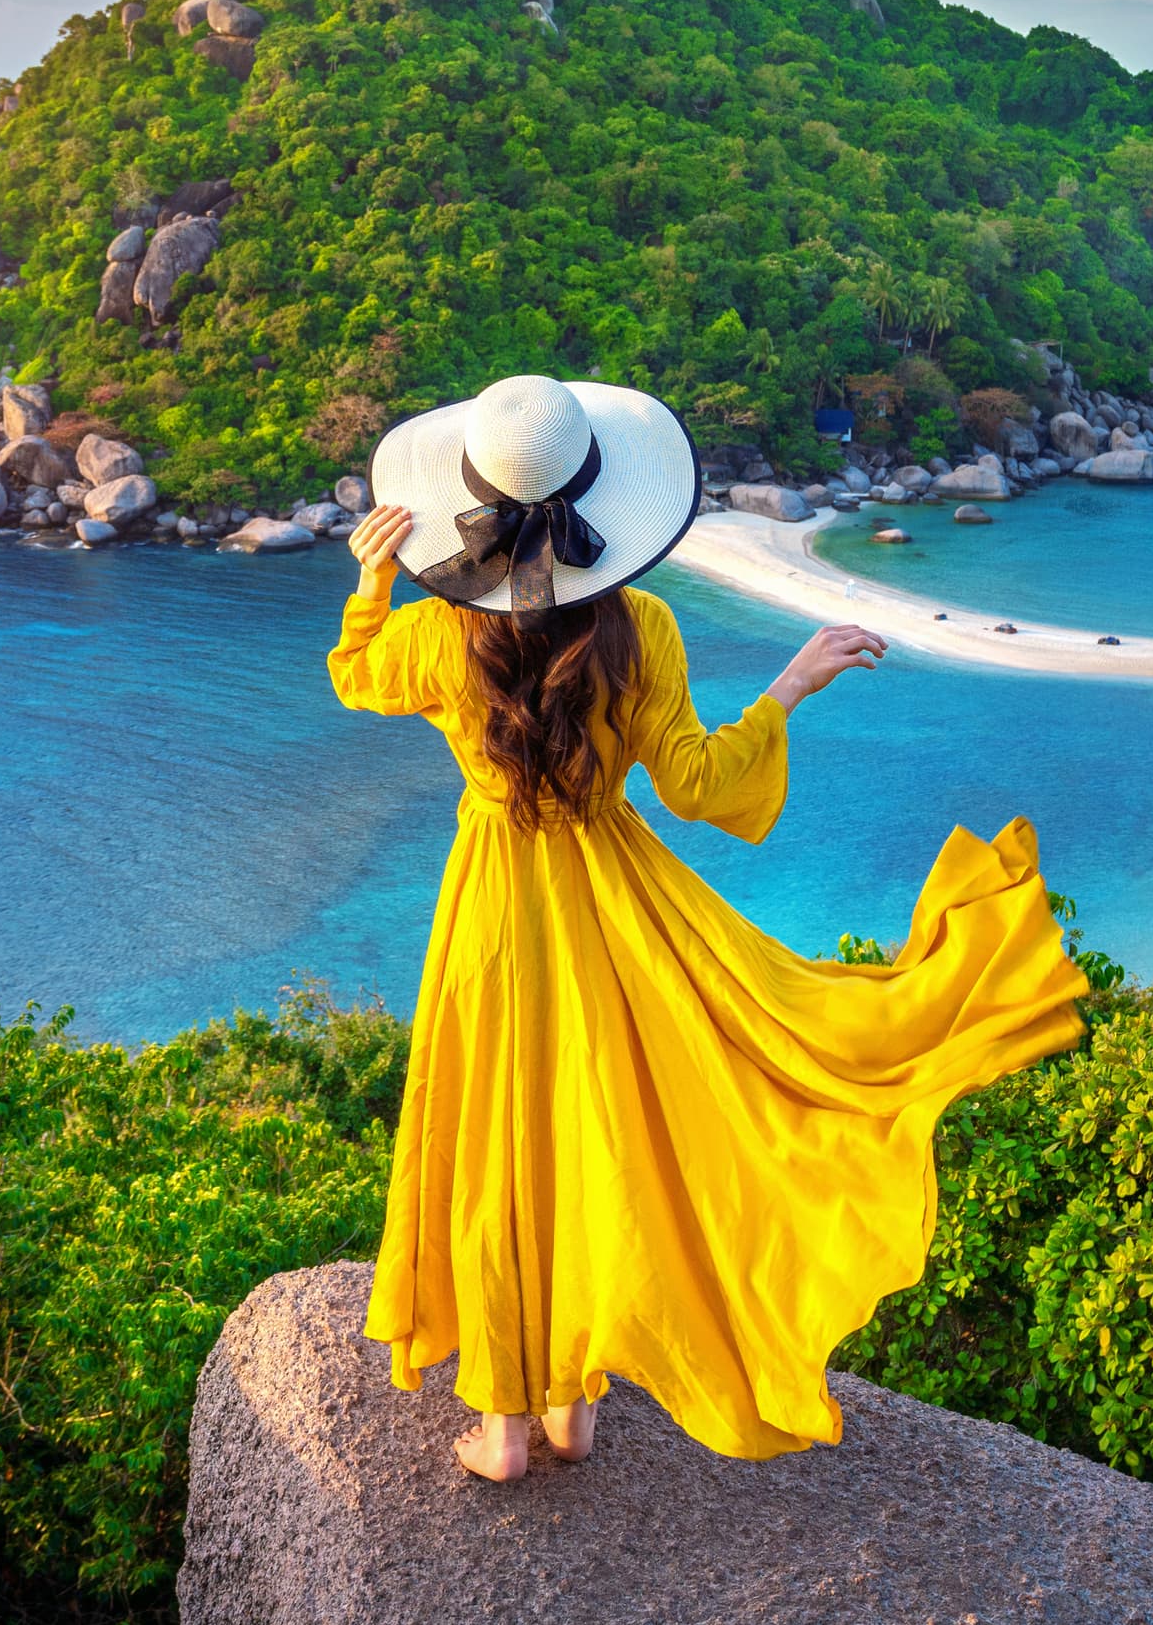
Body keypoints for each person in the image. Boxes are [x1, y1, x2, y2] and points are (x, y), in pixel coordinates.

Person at [329, 372, 1089, 1482]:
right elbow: (693, 785)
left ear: (473, 501)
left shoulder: (445, 637)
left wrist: (369, 578)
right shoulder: (641, 625)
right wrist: (786, 687)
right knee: (605, 1127)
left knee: (504, 1131)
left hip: (492, 905)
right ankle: (572, 1404)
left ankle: (502, 1421)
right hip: (615, 903)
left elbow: (354, 675)